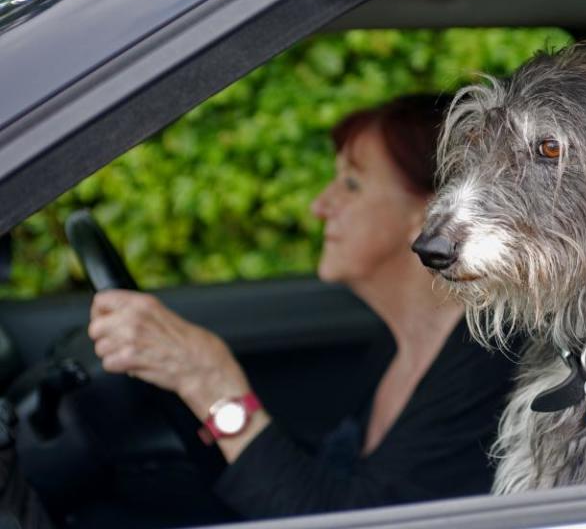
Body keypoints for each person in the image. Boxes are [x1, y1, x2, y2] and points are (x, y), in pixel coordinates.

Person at [86, 94, 515, 519]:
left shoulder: (488, 366)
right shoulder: (399, 341)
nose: (319, 206)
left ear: (431, 211)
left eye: (351, 184)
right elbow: (337, 483)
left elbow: (359, 520)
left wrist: (210, 382)